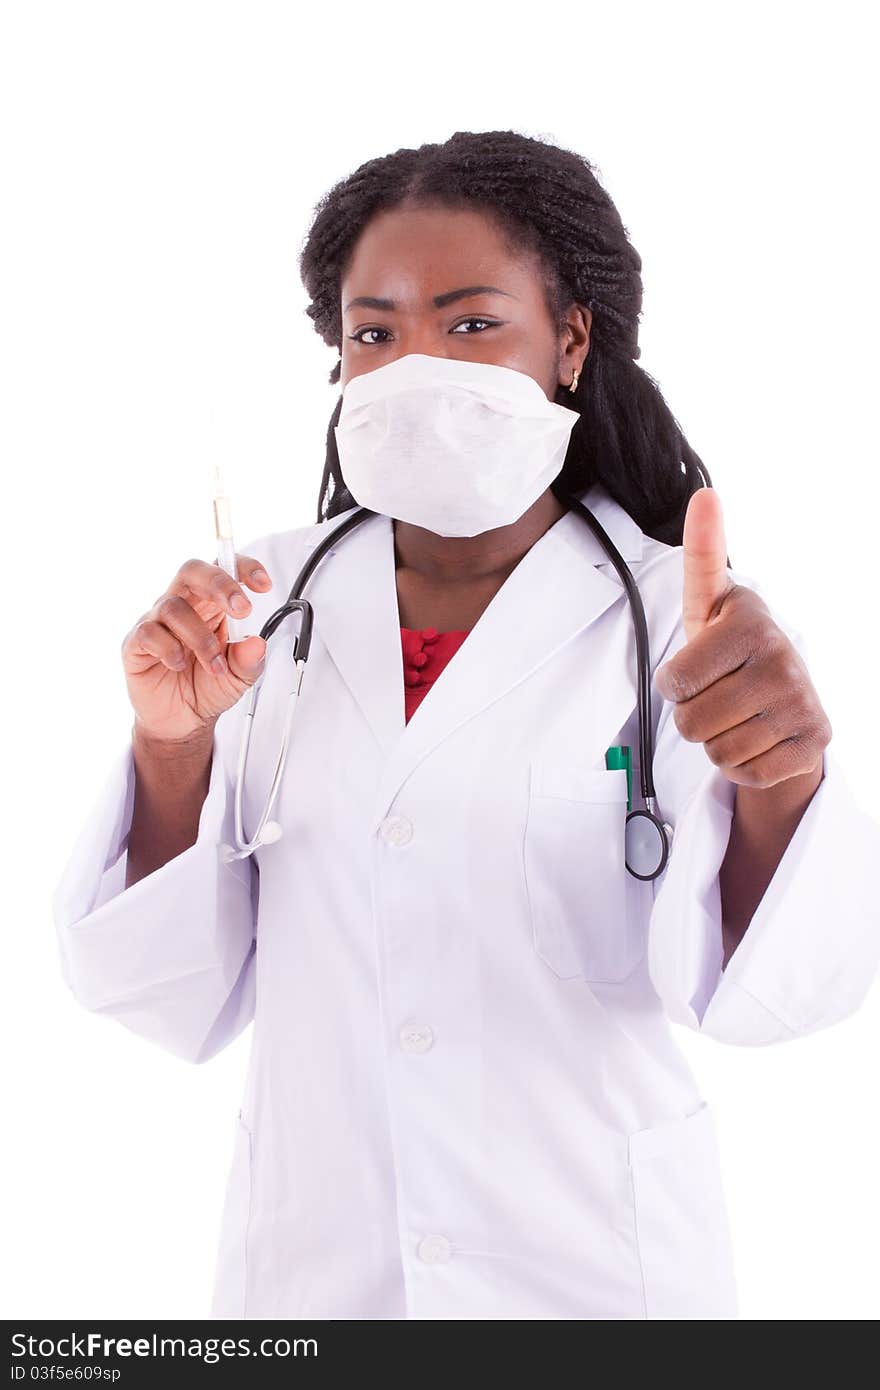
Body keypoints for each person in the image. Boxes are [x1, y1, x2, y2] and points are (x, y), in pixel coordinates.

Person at [53, 130, 880, 1320]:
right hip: (316, 1275)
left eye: (472, 321)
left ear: (572, 341)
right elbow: (163, 994)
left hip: (591, 1268)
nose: (414, 366)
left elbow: (773, 994)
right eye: (373, 332)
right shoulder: (250, 608)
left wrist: (783, 781)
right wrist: (171, 745)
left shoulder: (673, 617)